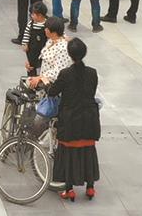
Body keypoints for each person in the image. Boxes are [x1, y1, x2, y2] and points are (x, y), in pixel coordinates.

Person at [50, 37, 102, 202]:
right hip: (89, 118)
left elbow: (53, 91)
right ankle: (90, 187)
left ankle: (69, 189)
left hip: (70, 119)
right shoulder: (92, 73)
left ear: (70, 54)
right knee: (88, 151)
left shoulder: (65, 74)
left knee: (68, 153)